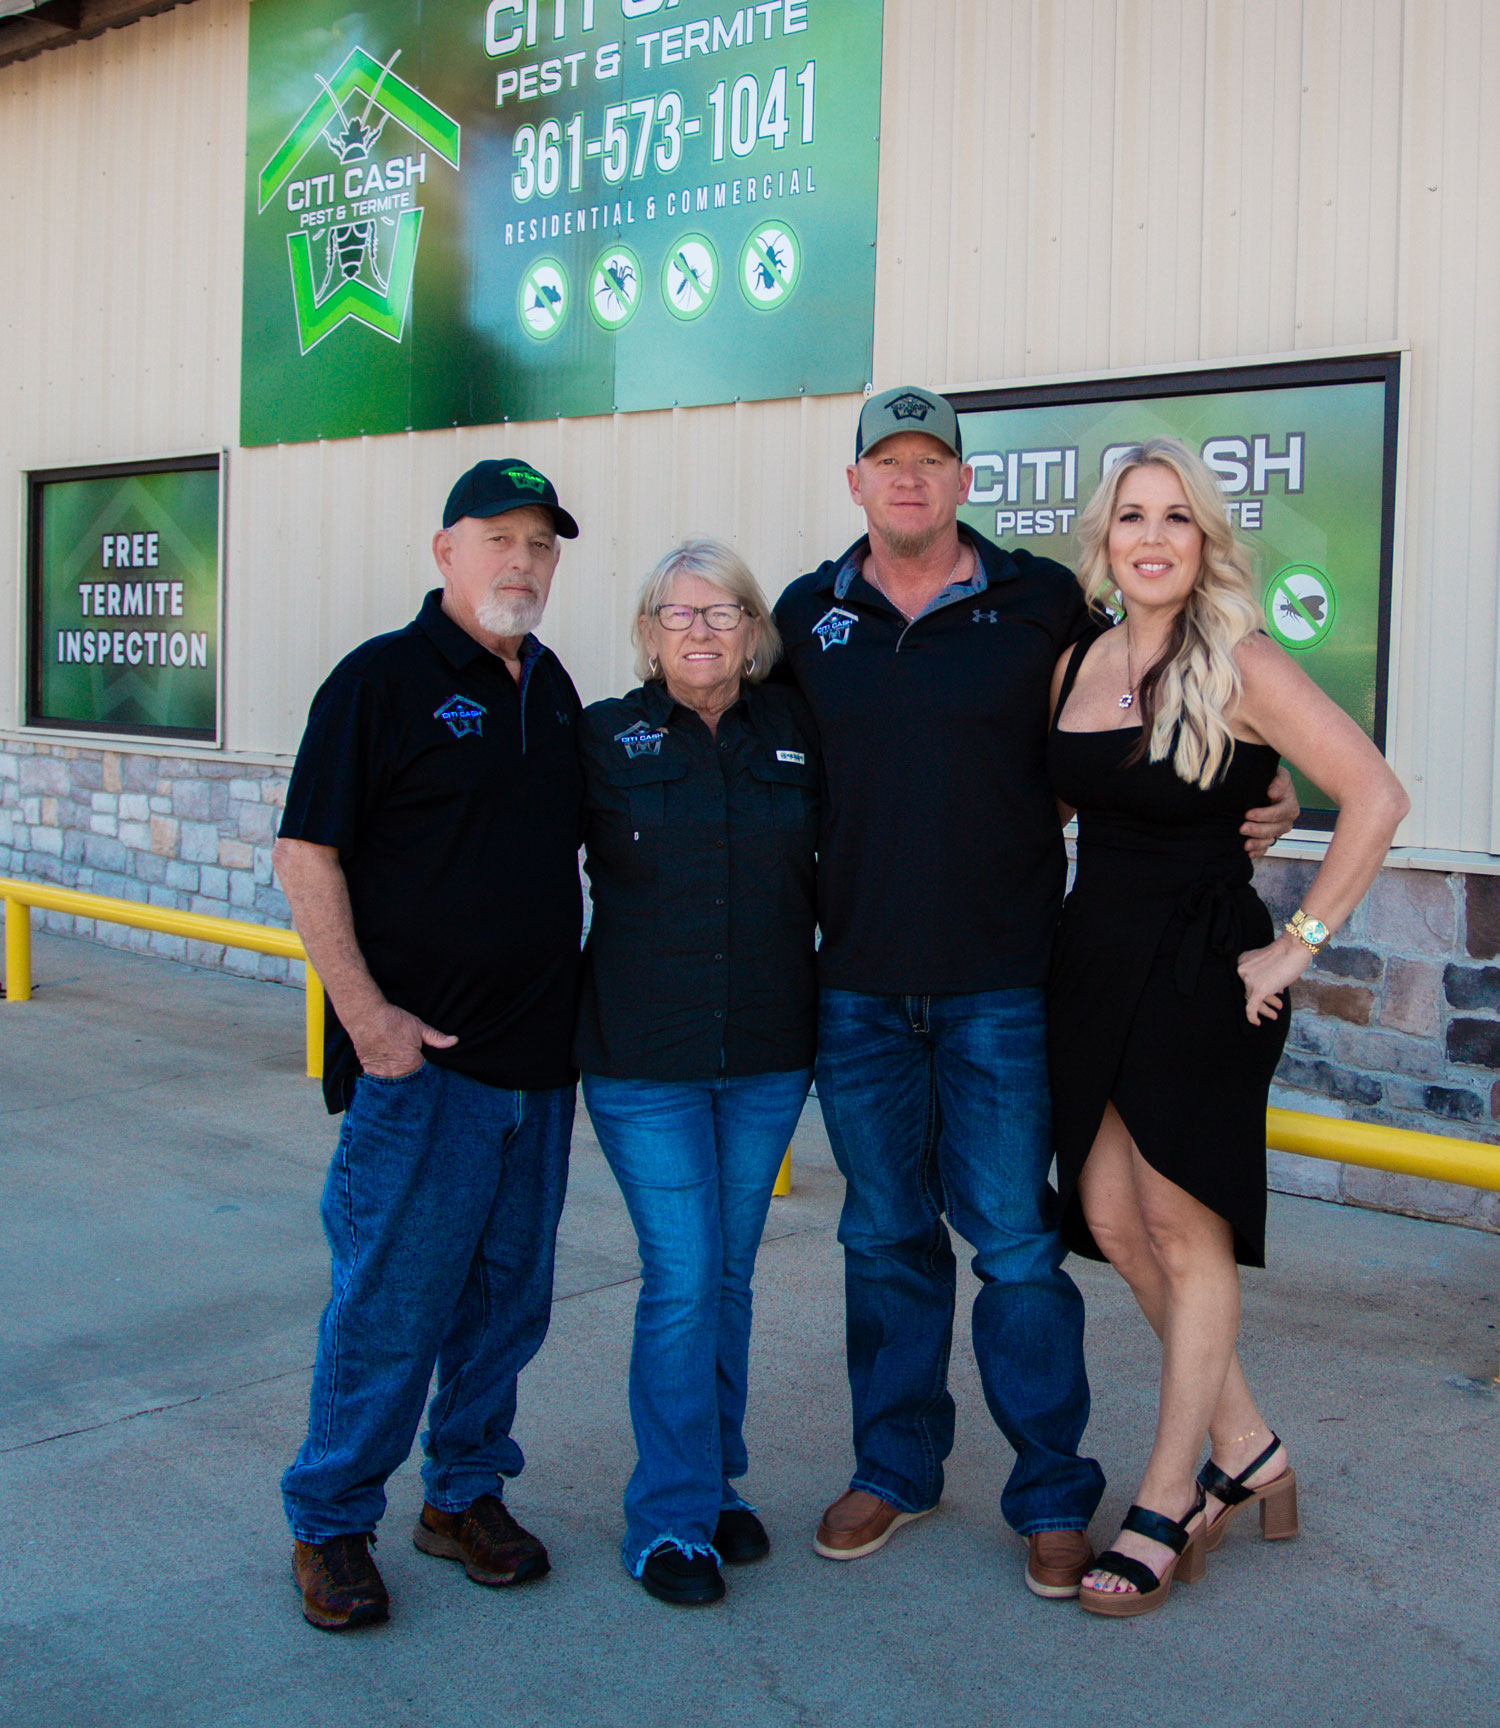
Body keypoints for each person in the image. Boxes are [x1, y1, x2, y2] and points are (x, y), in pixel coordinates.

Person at [771, 387, 1301, 1600]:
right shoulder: (807, 615)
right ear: (855, 482)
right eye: (886, 463)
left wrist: (1264, 802)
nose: (909, 481)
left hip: (1009, 981)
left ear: (966, 482)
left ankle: (1054, 1491)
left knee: (1020, 1247)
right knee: (885, 1238)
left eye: (931, 461)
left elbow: (1148, 735)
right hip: (855, 985)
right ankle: (895, 1470)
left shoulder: (1042, 605)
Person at [1046, 438, 1409, 1617]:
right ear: (1104, 540)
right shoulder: (1078, 662)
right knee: (1106, 1213)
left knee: (1178, 1224)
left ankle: (1173, 1496)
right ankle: (1251, 1448)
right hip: (1095, 961)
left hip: (1206, 967)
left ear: (1204, 542)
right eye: (1132, 517)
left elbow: (1376, 794)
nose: (1152, 538)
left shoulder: (1241, 660)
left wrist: (1295, 941)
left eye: (1176, 519)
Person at [273, 459, 586, 1631]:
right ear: (444, 551)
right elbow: (308, 856)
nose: (522, 562)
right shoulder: (380, 683)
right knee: (391, 1305)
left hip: (537, 1070)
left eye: (541, 544)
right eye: (497, 538)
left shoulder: (549, 687)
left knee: (508, 1305)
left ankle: (462, 1497)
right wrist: (367, 1019)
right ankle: (331, 1520)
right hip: (425, 1073)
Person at [576, 539, 819, 1607]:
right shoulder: (599, 739)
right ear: (647, 633)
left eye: (723, 613)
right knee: (681, 1277)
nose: (702, 632)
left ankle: (715, 1482)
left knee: (726, 1275)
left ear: (755, 629)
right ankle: (669, 1523)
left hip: (768, 1050)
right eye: (680, 616)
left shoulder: (801, 733)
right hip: (645, 1056)